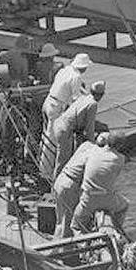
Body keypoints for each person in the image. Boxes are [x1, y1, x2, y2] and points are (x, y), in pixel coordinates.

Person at [40, 53, 91, 181]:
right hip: (56, 107)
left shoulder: (64, 70)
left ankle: (44, 168)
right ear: (84, 67)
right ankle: (46, 173)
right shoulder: (76, 77)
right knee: (53, 140)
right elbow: (76, 99)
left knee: (46, 135)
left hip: (48, 102)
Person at [71, 132, 129, 237]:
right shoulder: (120, 159)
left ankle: (83, 244)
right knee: (125, 205)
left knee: (75, 225)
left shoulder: (93, 151)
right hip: (107, 199)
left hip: (88, 199)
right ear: (120, 145)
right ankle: (118, 231)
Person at [53, 80, 106, 179]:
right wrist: (93, 148)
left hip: (59, 124)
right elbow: (89, 128)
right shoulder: (93, 104)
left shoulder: (83, 98)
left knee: (63, 157)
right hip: (65, 129)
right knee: (63, 160)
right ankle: (56, 184)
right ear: (101, 95)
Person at [53, 138, 99, 239]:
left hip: (60, 181)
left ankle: (54, 249)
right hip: (69, 187)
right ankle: (60, 252)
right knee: (67, 227)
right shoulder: (96, 156)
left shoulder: (85, 145)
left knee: (60, 222)